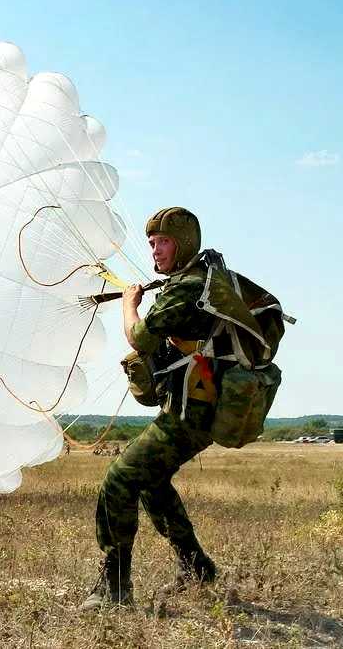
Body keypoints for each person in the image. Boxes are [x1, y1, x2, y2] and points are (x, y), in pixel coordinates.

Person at [79, 207, 219, 612]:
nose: (156, 251)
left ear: (185, 243)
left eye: (164, 242)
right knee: (152, 485)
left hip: (192, 413)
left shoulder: (186, 287)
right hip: (194, 408)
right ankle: (197, 567)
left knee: (119, 481)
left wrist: (129, 304)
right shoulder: (199, 280)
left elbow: (140, 336)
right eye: (153, 243)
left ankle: (114, 588)